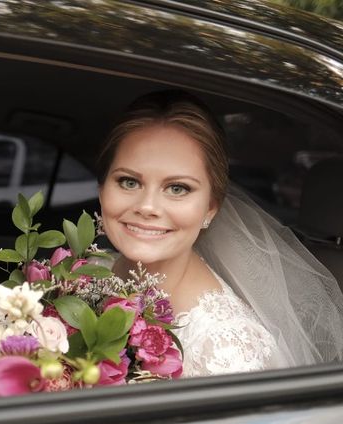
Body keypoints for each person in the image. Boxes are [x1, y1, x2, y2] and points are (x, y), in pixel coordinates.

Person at [96, 90, 343, 377]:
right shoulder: (88, 275)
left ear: (211, 208)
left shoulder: (226, 349)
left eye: (177, 188)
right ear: (102, 189)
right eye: (128, 182)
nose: (147, 206)